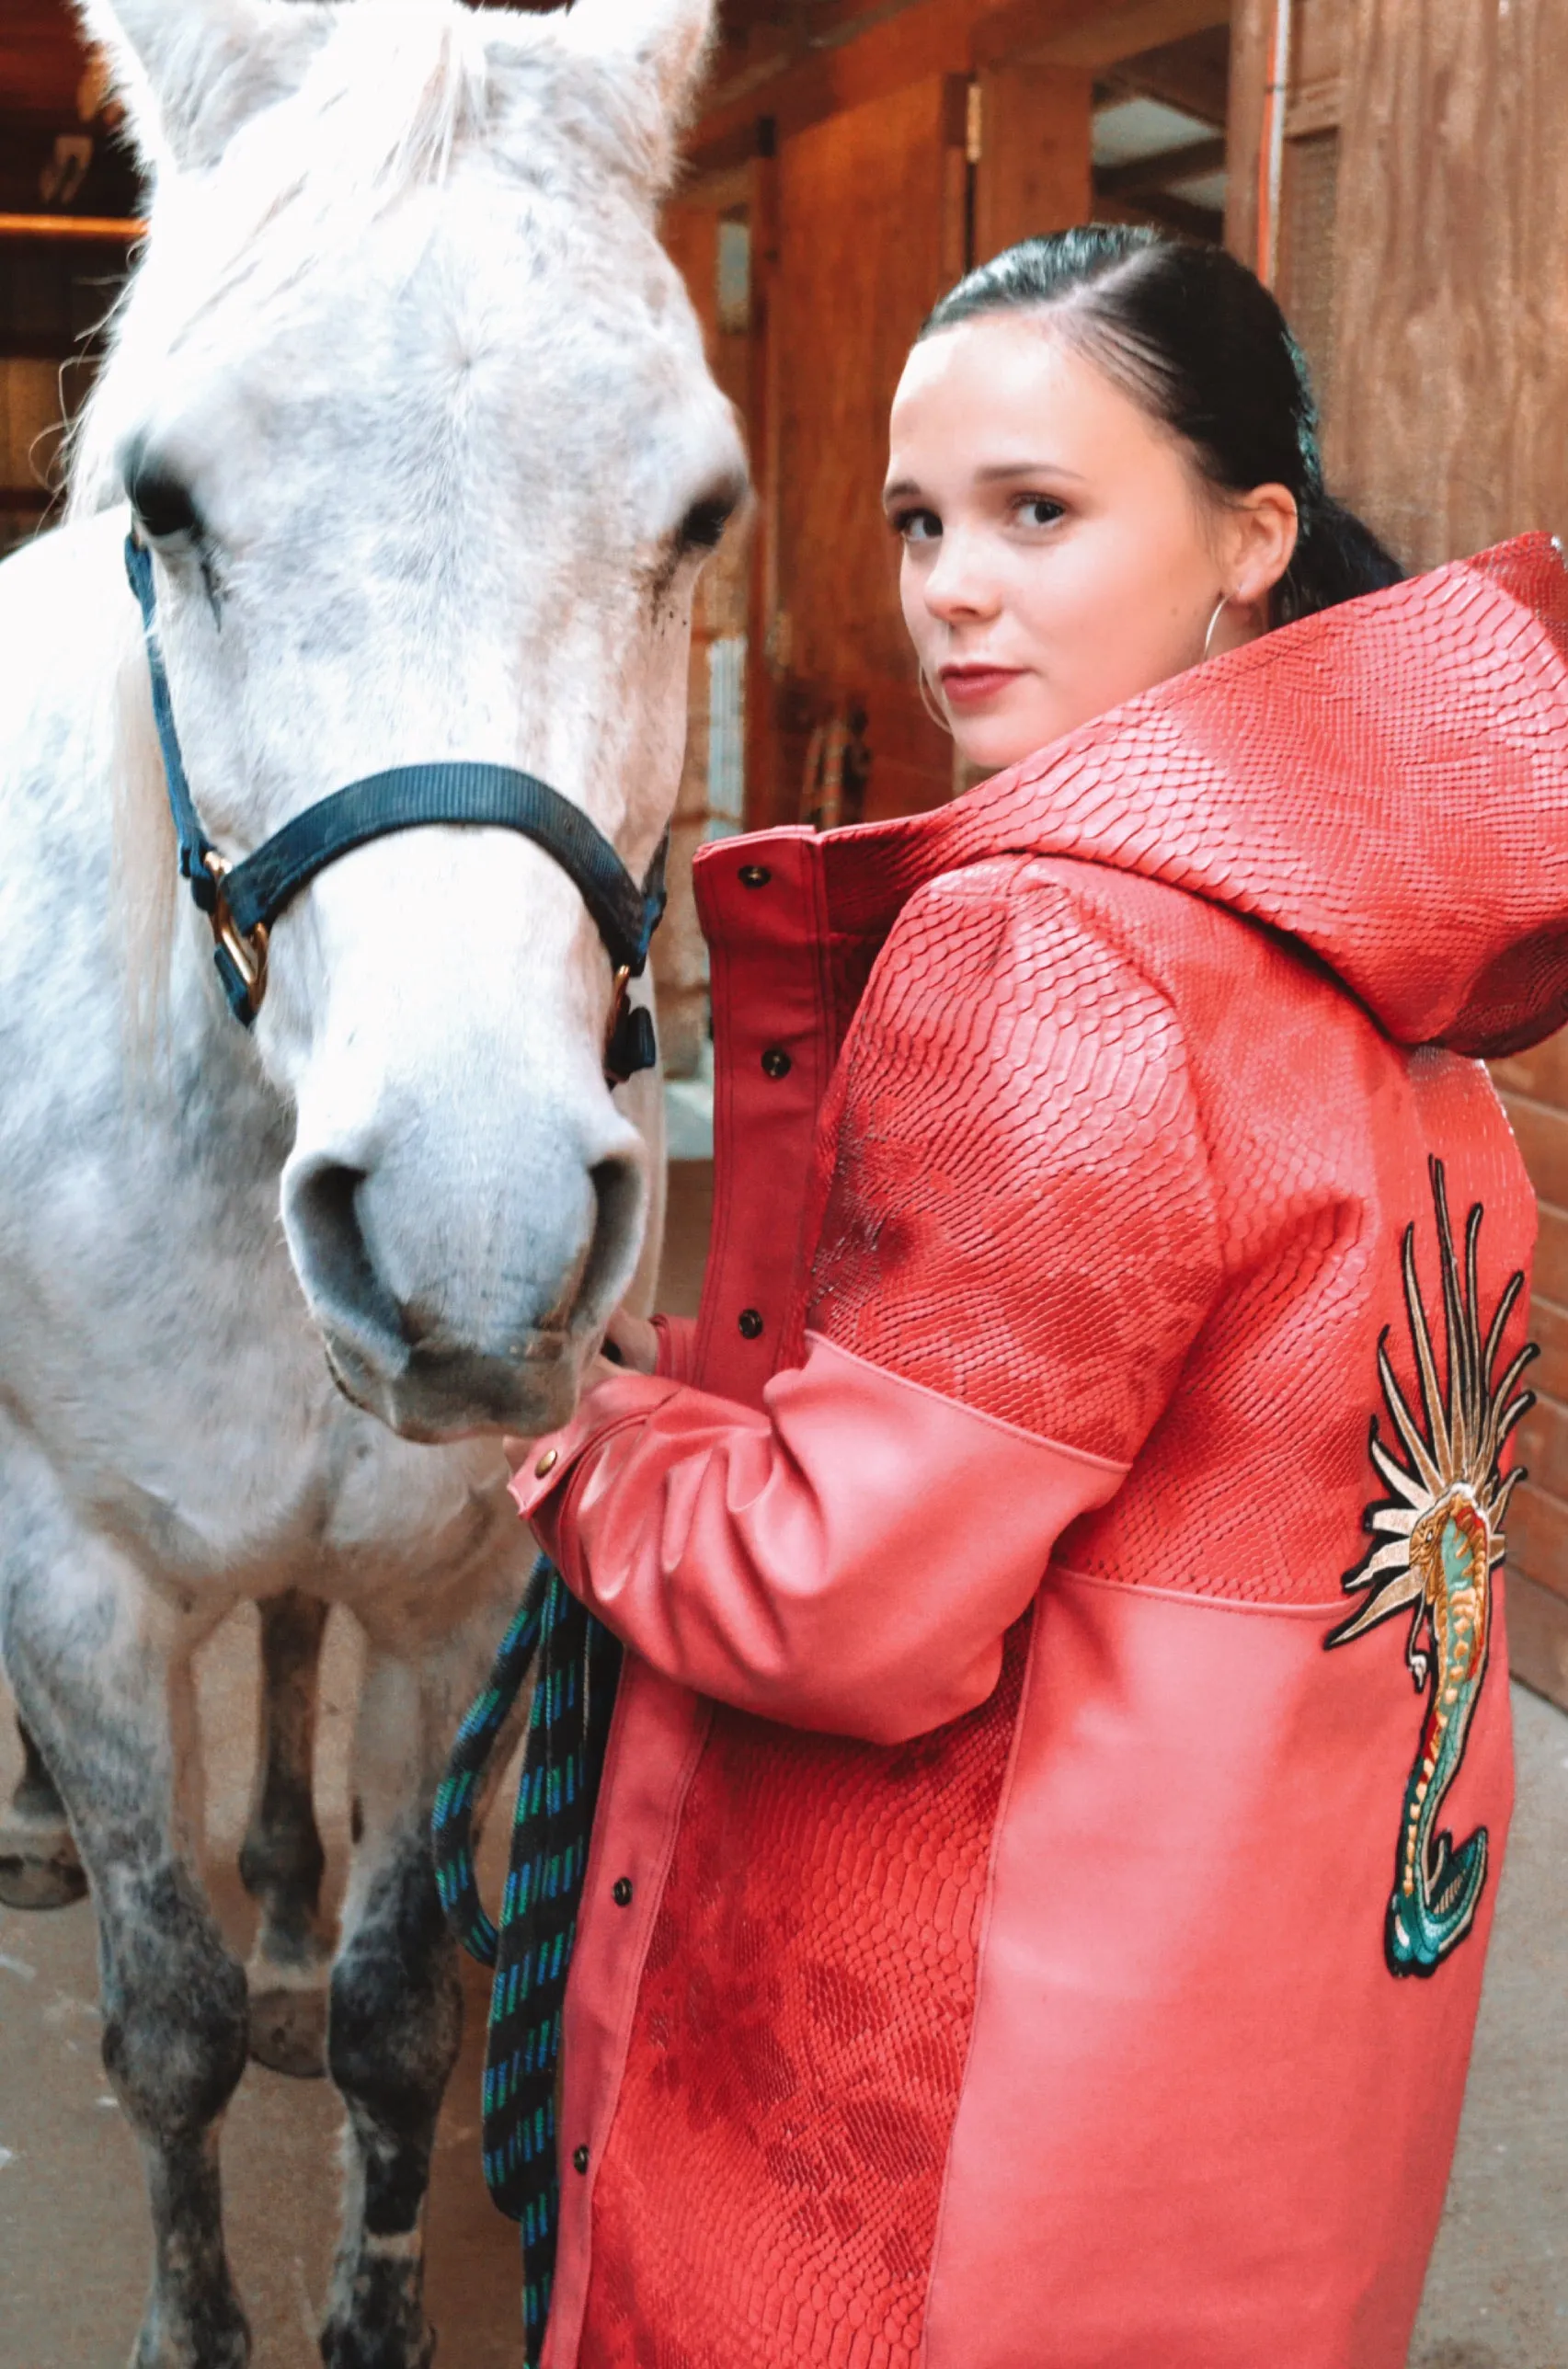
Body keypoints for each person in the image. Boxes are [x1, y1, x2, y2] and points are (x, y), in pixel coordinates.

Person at [510, 227, 1568, 2367]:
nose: (948, 589)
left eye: (1038, 512)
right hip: (1272, 2123)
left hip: (965, 2159)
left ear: (1249, 537)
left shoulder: (1053, 954)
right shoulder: (1398, 977)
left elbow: (841, 1604)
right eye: (920, 521)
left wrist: (567, 1430)